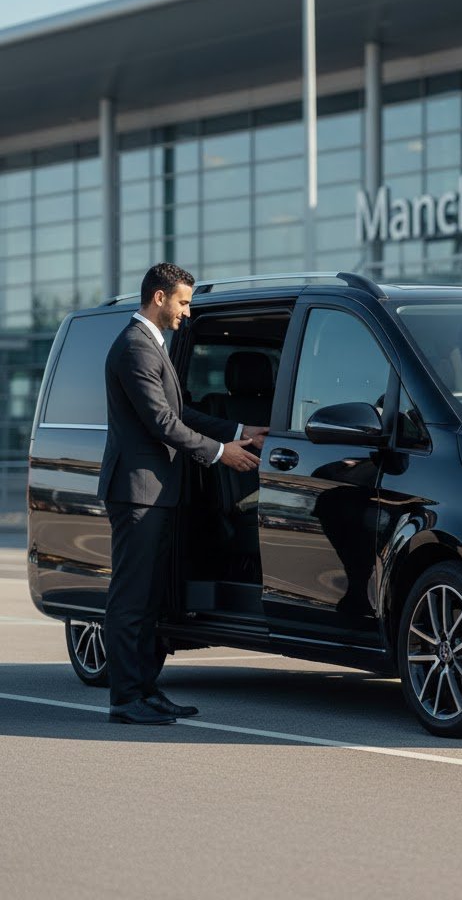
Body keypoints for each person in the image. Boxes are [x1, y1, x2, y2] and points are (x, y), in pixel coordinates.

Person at [98, 263, 269, 725]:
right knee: (131, 598)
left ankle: (146, 690)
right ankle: (125, 699)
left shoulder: (151, 345)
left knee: (151, 598)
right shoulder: (134, 347)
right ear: (159, 297)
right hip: (137, 492)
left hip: (156, 492)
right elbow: (162, 423)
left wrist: (238, 429)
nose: (187, 313)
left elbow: (180, 412)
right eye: (183, 302)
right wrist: (222, 453)